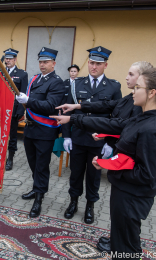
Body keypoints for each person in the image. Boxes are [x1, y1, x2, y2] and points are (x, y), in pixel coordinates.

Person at [51, 67, 156, 259]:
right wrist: (75, 117)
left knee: (127, 249)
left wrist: (113, 170)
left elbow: (148, 175)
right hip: (125, 192)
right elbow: (112, 124)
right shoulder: (141, 118)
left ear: (151, 93)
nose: (133, 91)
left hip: (132, 196)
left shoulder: (150, 128)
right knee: (121, 242)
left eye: (137, 87)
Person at [61, 46, 122, 225]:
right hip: (78, 138)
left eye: (98, 64)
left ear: (106, 65)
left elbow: (116, 117)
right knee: (76, 173)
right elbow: (67, 112)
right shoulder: (76, 84)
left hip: (98, 141)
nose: (94, 67)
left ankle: (90, 206)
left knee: (94, 176)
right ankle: (73, 202)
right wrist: (66, 136)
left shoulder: (113, 86)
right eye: (91, 63)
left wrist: (110, 142)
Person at [16, 47, 65, 218]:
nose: (42, 65)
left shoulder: (57, 82)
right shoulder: (35, 79)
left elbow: (50, 106)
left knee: (42, 166)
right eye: (40, 61)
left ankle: (39, 198)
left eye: (46, 62)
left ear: (53, 63)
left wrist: (28, 100)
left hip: (45, 131)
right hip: (30, 128)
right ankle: (36, 188)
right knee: (32, 163)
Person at [3, 48, 28, 171]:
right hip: (0, 109)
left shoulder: (22, 74)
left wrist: (19, 112)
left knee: (12, 136)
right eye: (6, 58)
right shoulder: (1, 72)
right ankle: (0, 157)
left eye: (10, 58)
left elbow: (22, 95)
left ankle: (10, 159)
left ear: (15, 59)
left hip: (12, 110)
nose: (7, 61)